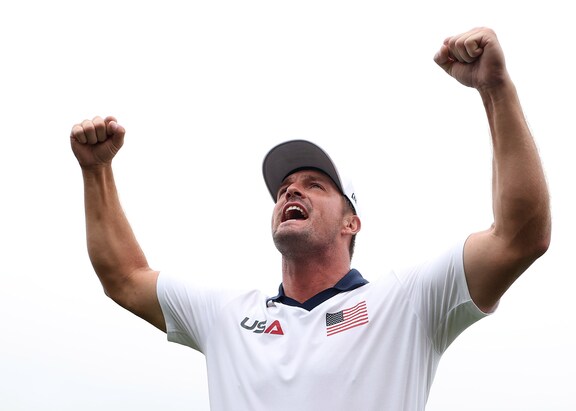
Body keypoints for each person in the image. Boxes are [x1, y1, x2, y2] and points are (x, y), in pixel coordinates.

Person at [70, 27, 551, 411]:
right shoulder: (228, 316)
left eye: (315, 184)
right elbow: (124, 278)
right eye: (284, 188)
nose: (291, 190)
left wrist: (495, 89)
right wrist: (96, 171)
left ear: (351, 223)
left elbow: (520, 237)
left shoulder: (406, 302)